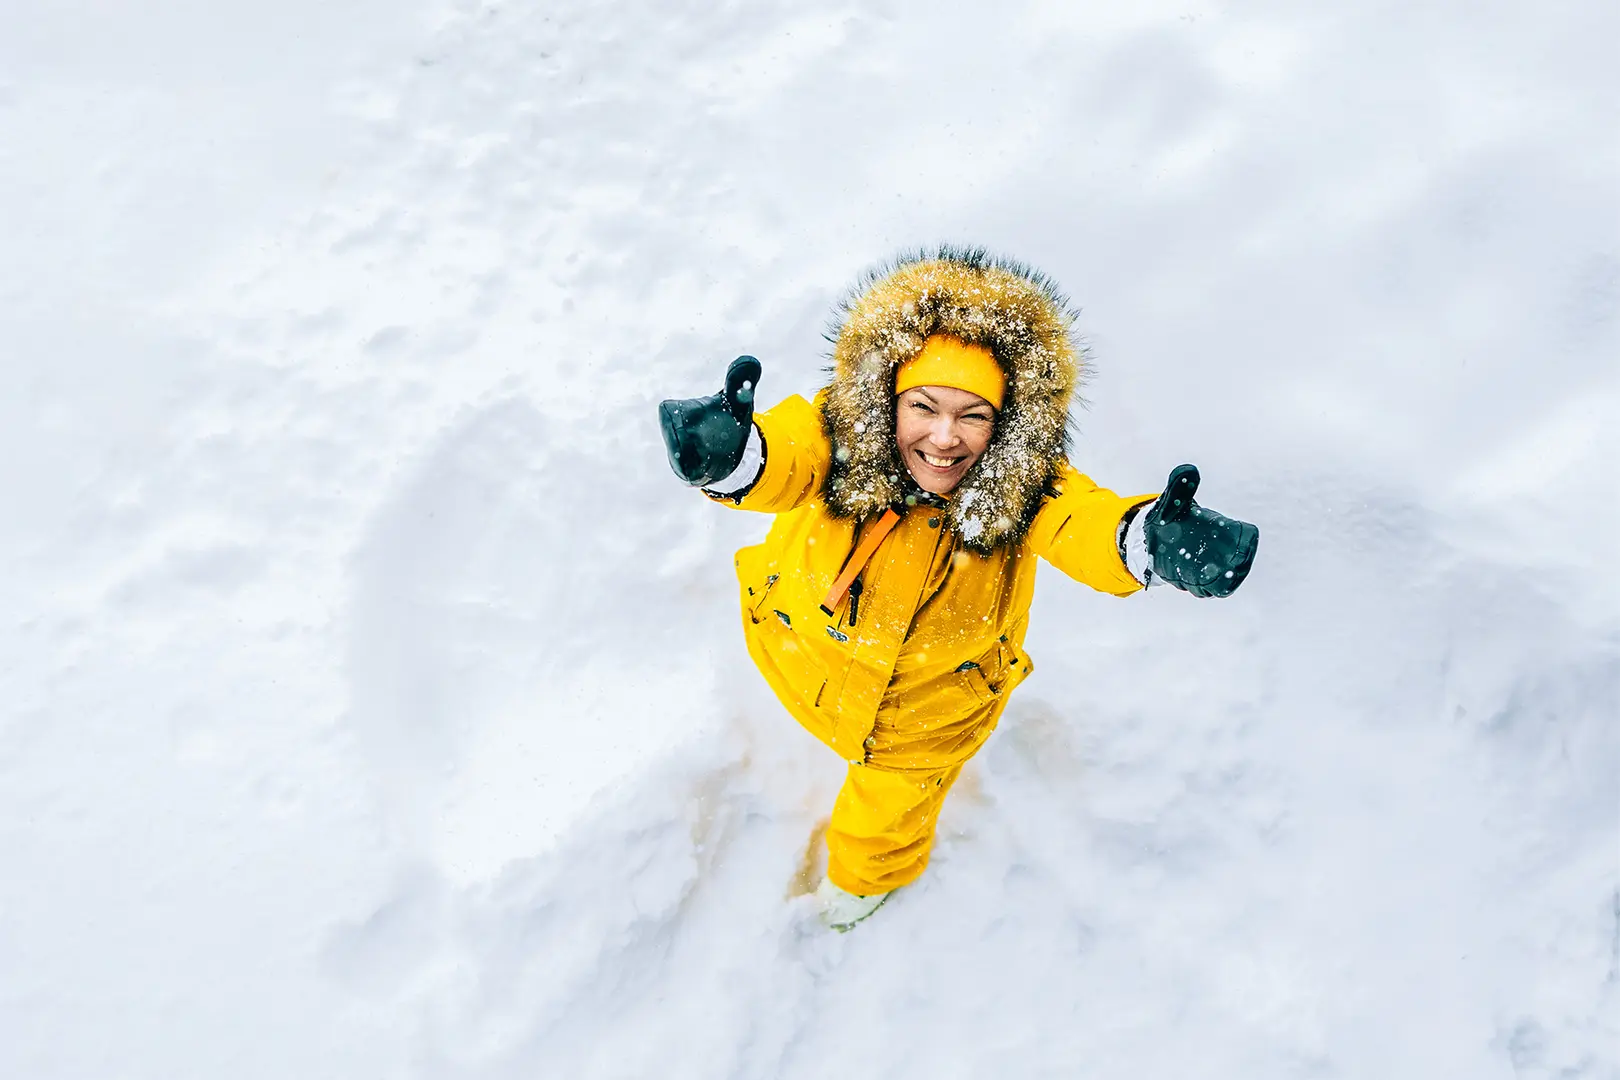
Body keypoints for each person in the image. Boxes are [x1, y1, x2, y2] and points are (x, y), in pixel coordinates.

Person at [658, 248, 1258, 931]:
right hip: (798, 651)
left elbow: (1080, 521)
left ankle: (859, 889)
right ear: (887, 401)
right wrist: (737, 456)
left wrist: (1147, 538)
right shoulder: (839, 433)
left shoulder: (1030, 485)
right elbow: (788, 457)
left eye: (973, 416)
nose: (944, 438)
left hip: (923, 714)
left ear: (1006, 426)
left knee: (889, 812)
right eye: (924, 407)